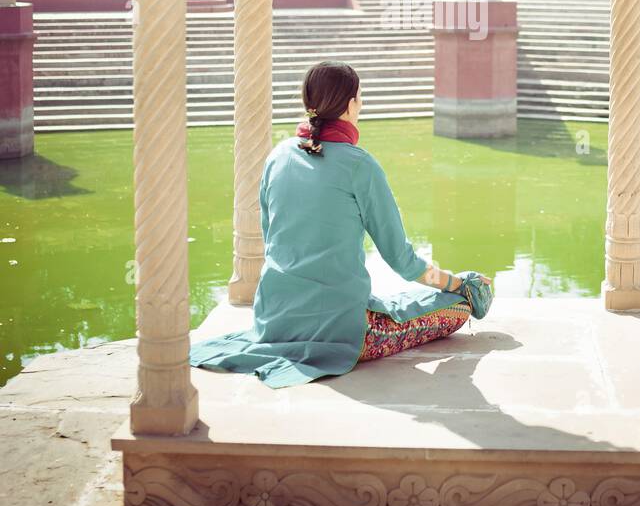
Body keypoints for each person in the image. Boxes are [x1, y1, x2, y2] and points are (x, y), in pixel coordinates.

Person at [190, 61, 493, 389]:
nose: (360, 106)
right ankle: (466, 288)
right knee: (458, 306)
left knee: (400, 302)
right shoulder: (359, 166)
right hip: (345, 330)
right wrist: (455, 283)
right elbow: (403, 262)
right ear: (350, 105)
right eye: (360, 99)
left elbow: (271, 238)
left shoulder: (278, 156)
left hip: (273, 322)